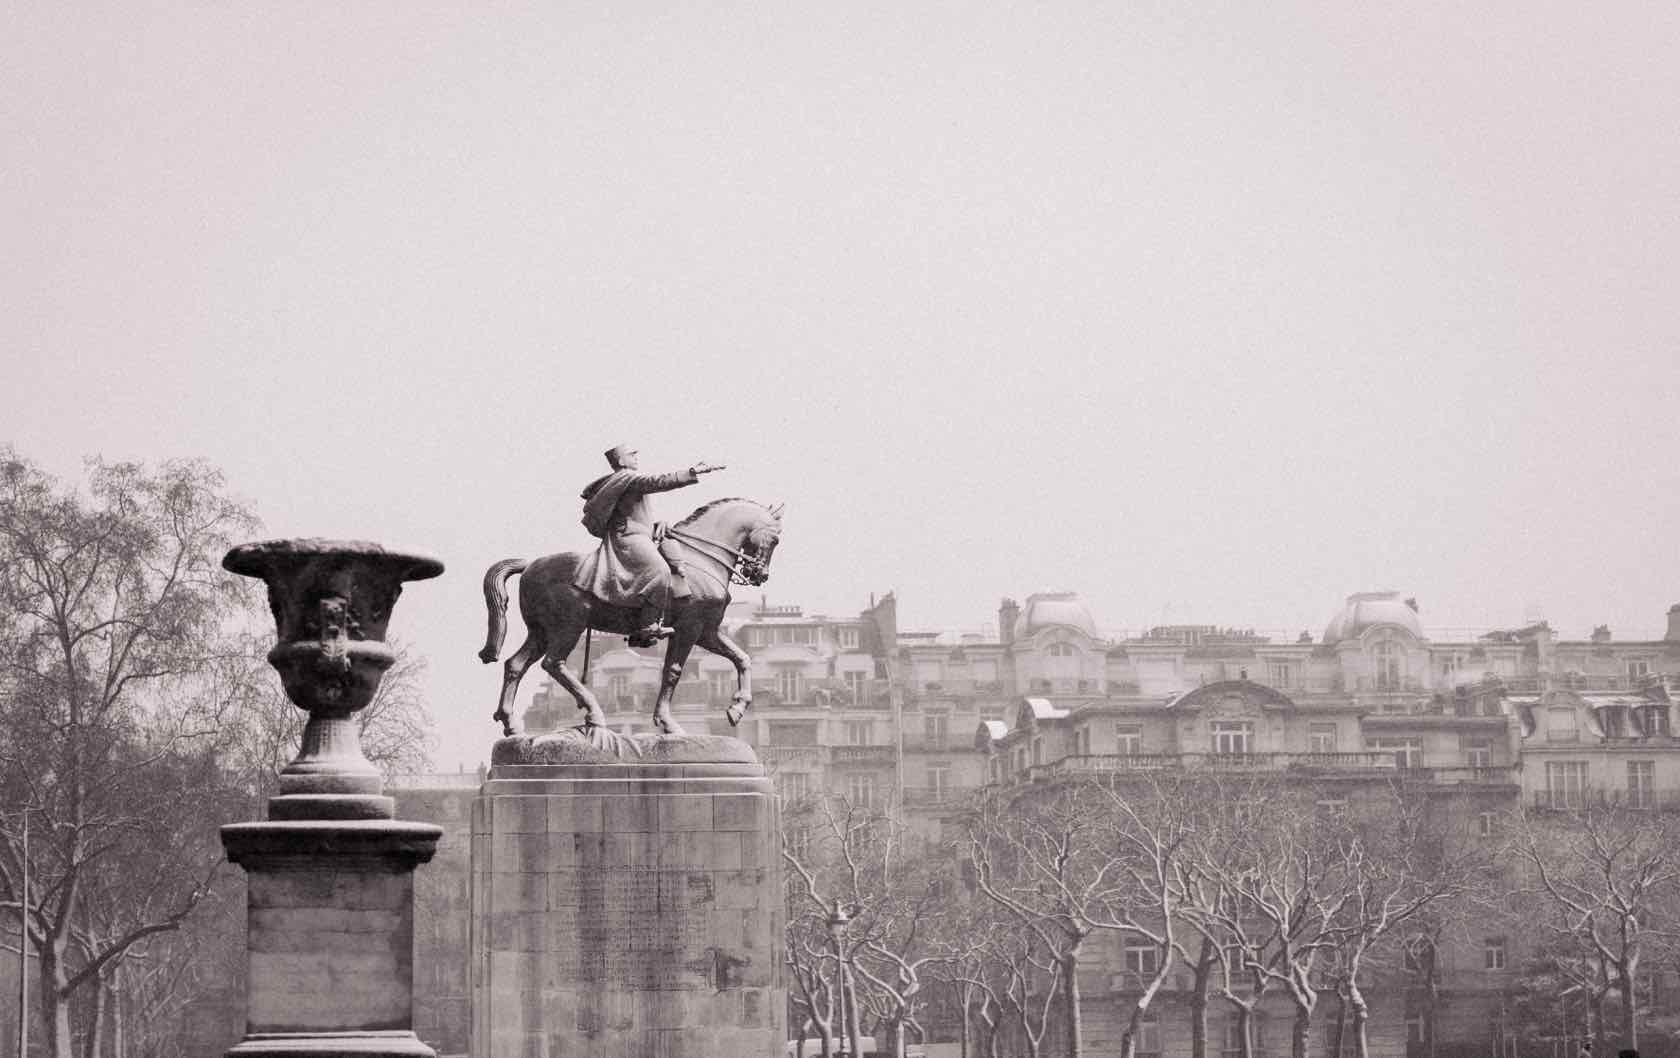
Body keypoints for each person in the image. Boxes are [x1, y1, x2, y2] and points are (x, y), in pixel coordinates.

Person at [573, 444, 724, 646]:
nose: (636, 457)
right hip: (629, 538)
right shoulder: (627, 477)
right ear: (621, 461)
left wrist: (655, 526)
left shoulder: (622, 481)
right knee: (660, 571)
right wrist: (691, 472)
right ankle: (647, 626)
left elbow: (631, 514)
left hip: (639, 534)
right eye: (631, 454)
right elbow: (657, 482)